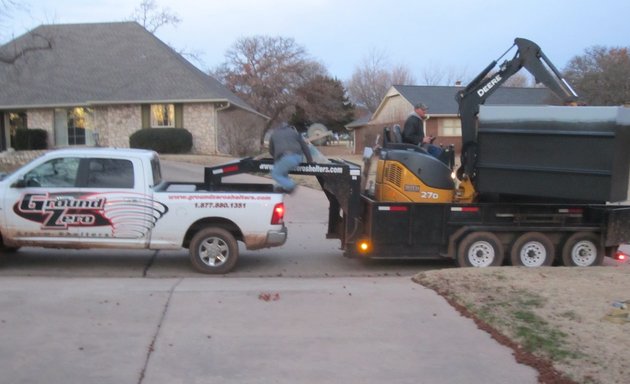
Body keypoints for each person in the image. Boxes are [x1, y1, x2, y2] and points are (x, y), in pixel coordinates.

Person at [269, 124, 313, 193]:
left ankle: (291, 185)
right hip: (298, 158)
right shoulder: (294, 133)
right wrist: (310, 161)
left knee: (275, 174)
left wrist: (277, 158)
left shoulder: (274, 134)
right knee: (283, 172)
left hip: (285, 158)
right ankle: (283, 187)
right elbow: (305, 147)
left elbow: (271, 151)